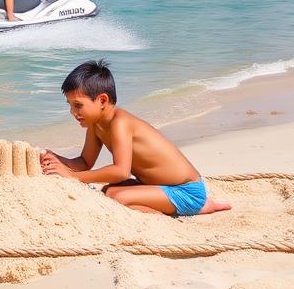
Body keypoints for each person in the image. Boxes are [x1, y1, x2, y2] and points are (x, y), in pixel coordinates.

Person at [42, 59, 230, 217]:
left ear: (102, 100)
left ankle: (198, 208)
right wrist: (57, 160)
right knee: (109, 190)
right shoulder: (96, 125)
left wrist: (74, 177)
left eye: (78, 105)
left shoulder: (120, 123)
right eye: (70, 105)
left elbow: (121, 171)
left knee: (117, 196)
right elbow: (84, 162)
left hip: (186, 190)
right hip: (156, 185)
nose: (73, 112)